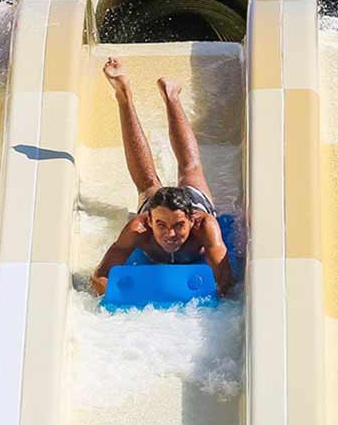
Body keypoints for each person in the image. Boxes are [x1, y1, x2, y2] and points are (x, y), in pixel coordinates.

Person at [92, 58, 235, 297]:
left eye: (179, 225)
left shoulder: (204, 226)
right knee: (148, 184)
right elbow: (99, 276)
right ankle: (123, 94)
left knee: (191, 168)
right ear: (149, 220)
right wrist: (115, 297)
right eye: (161, 225)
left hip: (192, 199)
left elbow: (226, 282)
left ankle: (171, 96)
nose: (170, 234)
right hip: (156, 204)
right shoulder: (139, 228)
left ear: (192, 221)